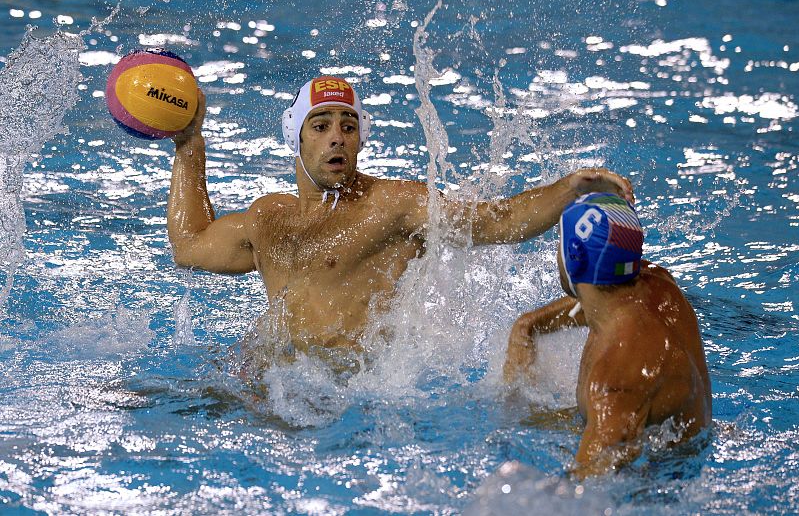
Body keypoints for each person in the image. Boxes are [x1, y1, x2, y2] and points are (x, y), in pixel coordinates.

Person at [168, 75, 633, 352]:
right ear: (297, 138)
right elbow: (189, 246)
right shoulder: (268, 218)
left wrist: (569, 187)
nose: (337, 137)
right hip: (271, 380)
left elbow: (499, 222)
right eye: (322, 125)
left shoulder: (392, 206)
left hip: (343, 394)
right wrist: (189, 146)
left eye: (348, 126)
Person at [503, 192, 712, 478]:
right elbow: (596, 297)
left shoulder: (616, 383)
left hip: (659, 487)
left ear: (573, 257)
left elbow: (580, 493)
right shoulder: (657, 282)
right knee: (523, 419)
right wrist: (529, 325)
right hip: (667, 428)